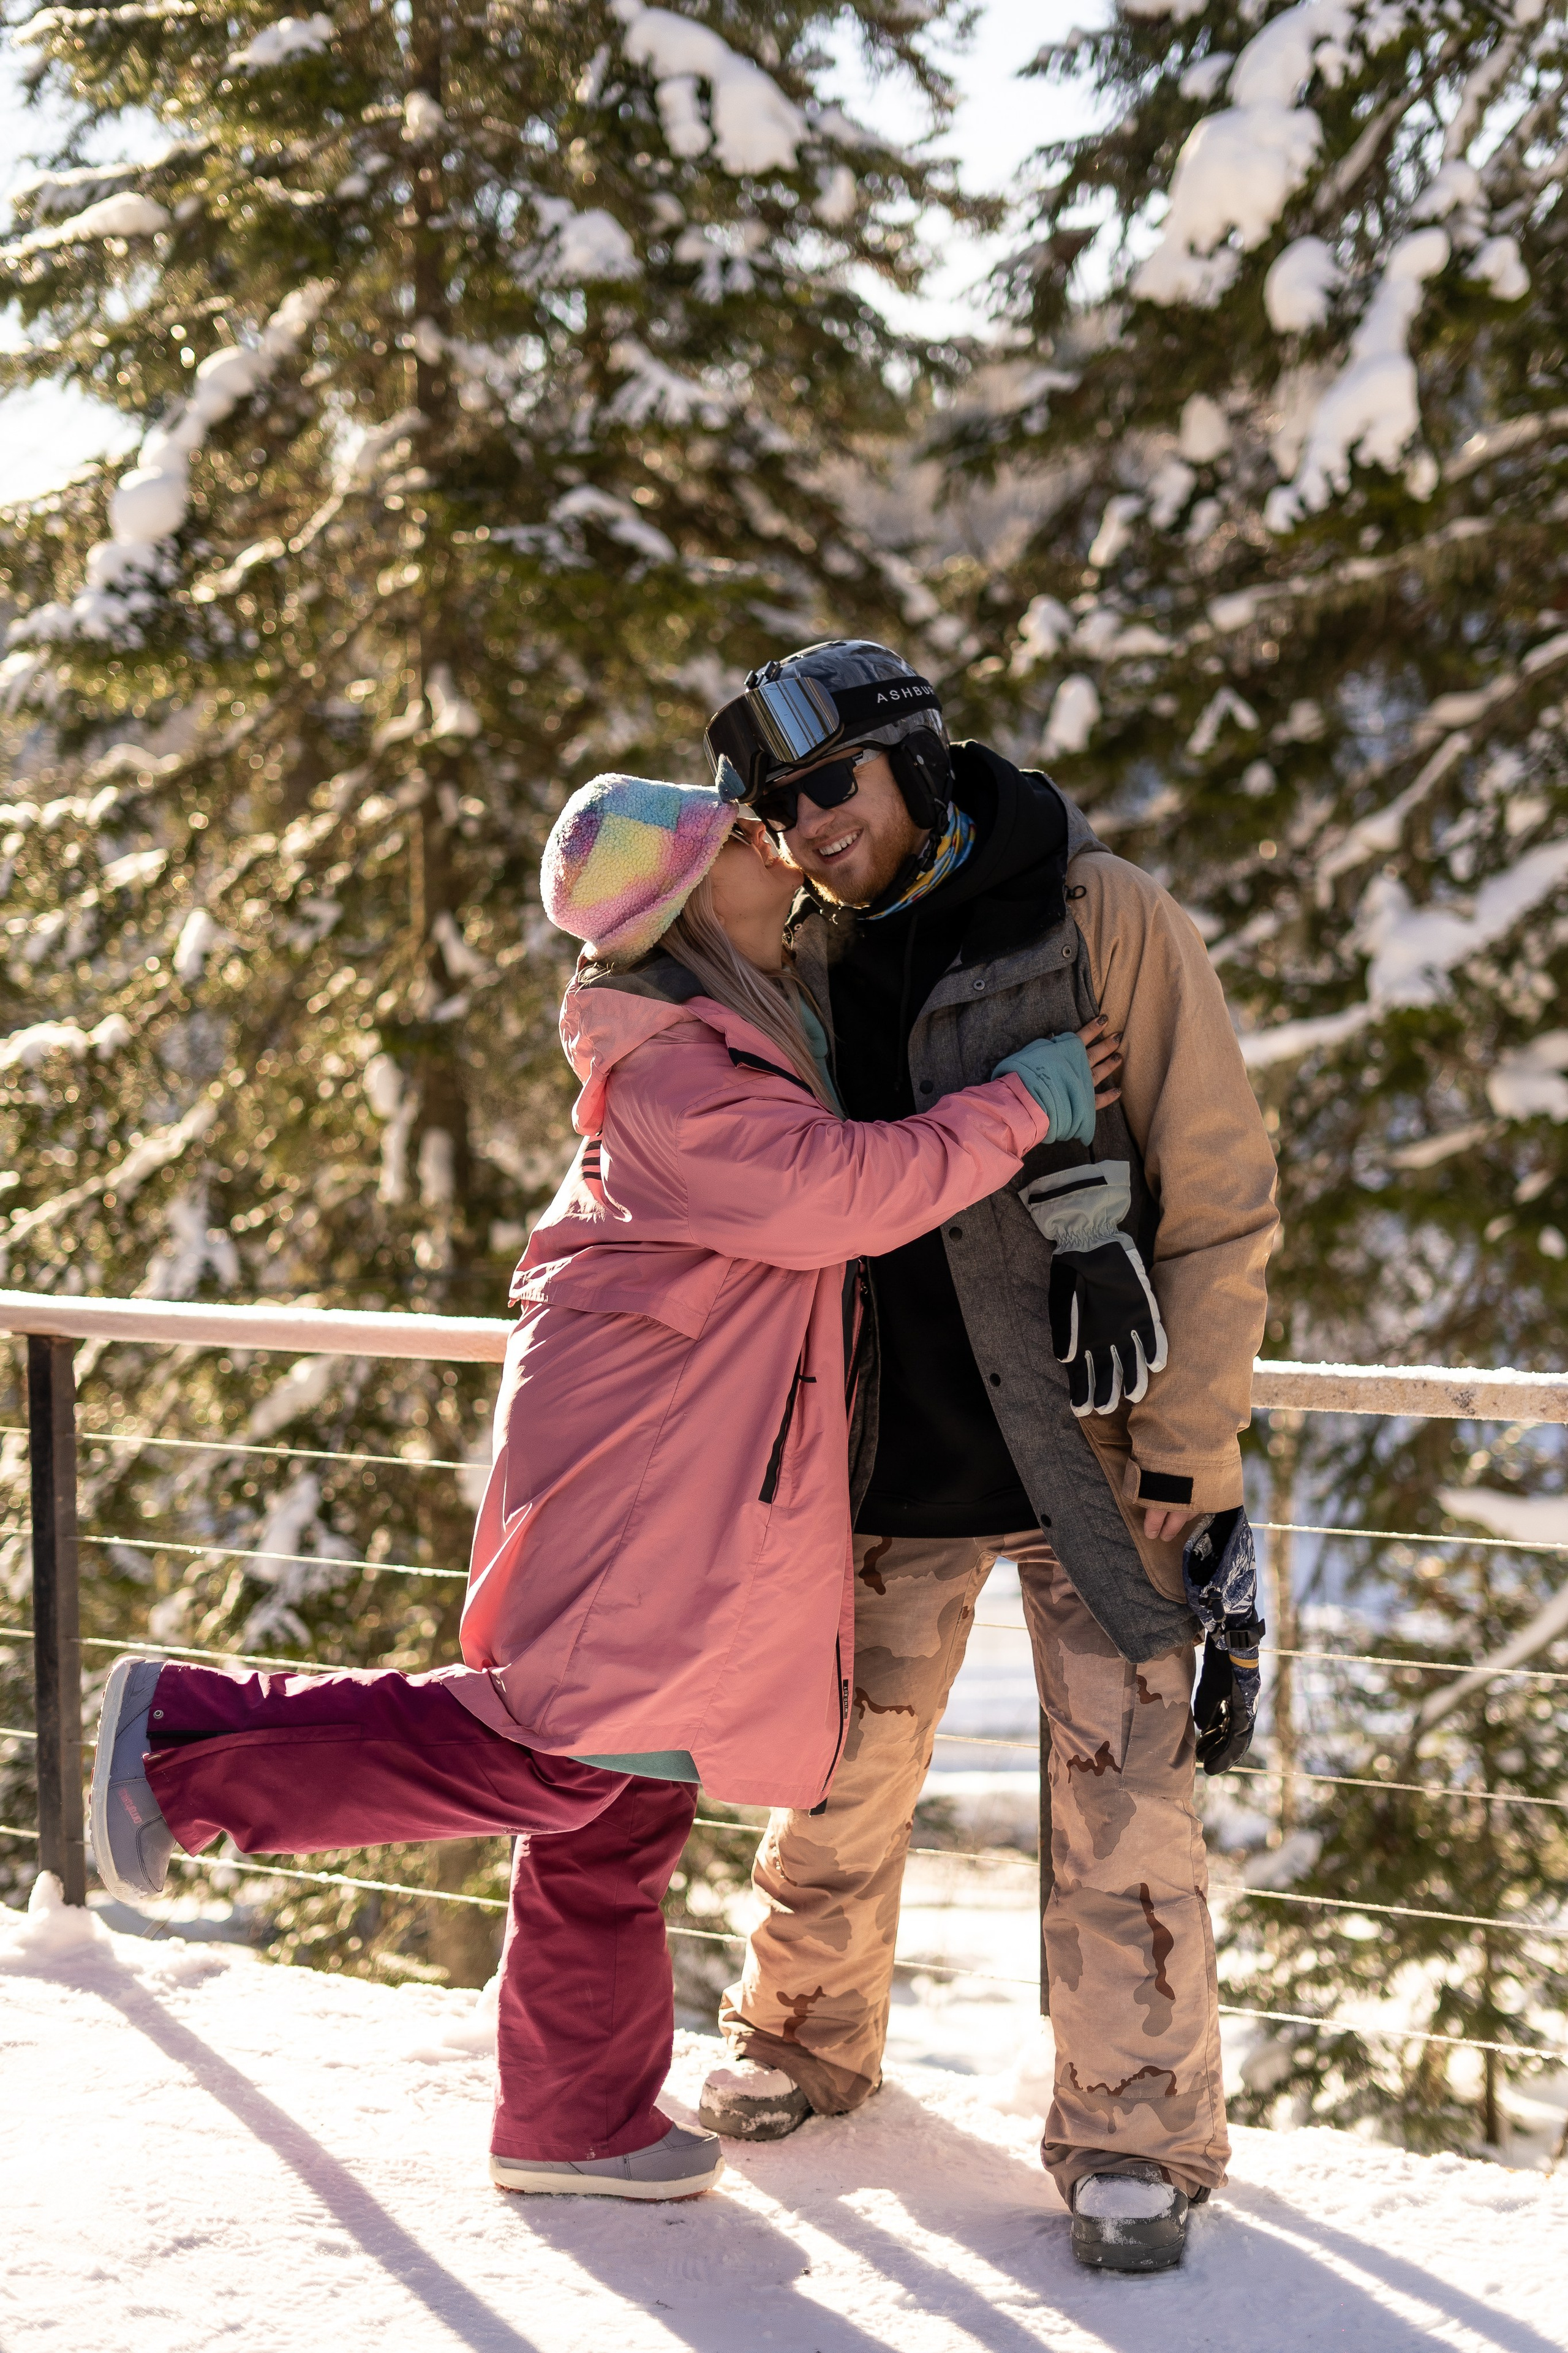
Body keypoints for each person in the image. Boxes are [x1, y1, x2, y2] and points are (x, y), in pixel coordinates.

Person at [89, 765, 1118, 2205]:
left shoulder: (734, 1023)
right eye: (737, 837)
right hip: (637, 1470)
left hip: (680, 1458)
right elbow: (841, 1194)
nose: (771, 842)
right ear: (688, 903)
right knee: (560, 1754)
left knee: (627, 1792)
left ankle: (573, 2116)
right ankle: (181, 1748)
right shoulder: (681, 1067)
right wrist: (1016, 1106)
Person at [697, 640, 1280, 2274]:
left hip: (1093, 1442)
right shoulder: (805, 949)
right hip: (889, 1438)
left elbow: (1220, 1188)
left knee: (1124, 1798)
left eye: (828, 784)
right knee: (835, 1762)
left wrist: (1192, 1447)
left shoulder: (1096, 915)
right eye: (775, 808)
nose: (805, 825)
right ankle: (802, 2034)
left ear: (911, 758)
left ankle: (1135, 2137)